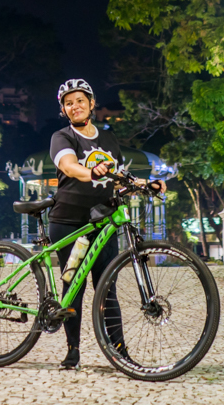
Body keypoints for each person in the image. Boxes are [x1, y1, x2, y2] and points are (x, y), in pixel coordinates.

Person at [48, 79, 164, 370]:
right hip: (71, 221)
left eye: (80, 100)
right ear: (64, 109)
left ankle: (120, 353)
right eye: (68, 103)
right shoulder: (62, 137)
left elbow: (119, 177)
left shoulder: (109, 139)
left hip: (103, 220)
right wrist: (90, 171)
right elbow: (69, 166)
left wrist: (146, 184)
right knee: (73, 285)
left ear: (91, 103)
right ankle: (72, 351)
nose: (75, 106)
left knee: (107, 287)